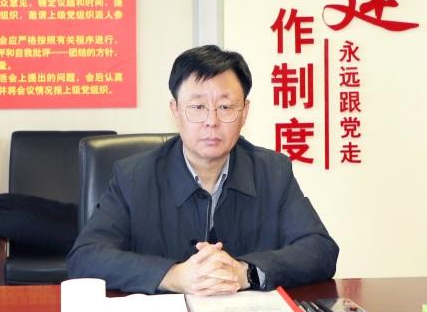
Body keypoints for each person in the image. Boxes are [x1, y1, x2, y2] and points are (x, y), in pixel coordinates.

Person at [67, 45, 339, 295]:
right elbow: (86, 257)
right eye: (197, 107)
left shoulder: (272, 172)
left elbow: (320, 250)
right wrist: (171, 275)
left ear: (244, 112)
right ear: (175, 110)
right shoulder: (134, 177)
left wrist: (246, 272)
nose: (211, 121)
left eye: (225, 107)